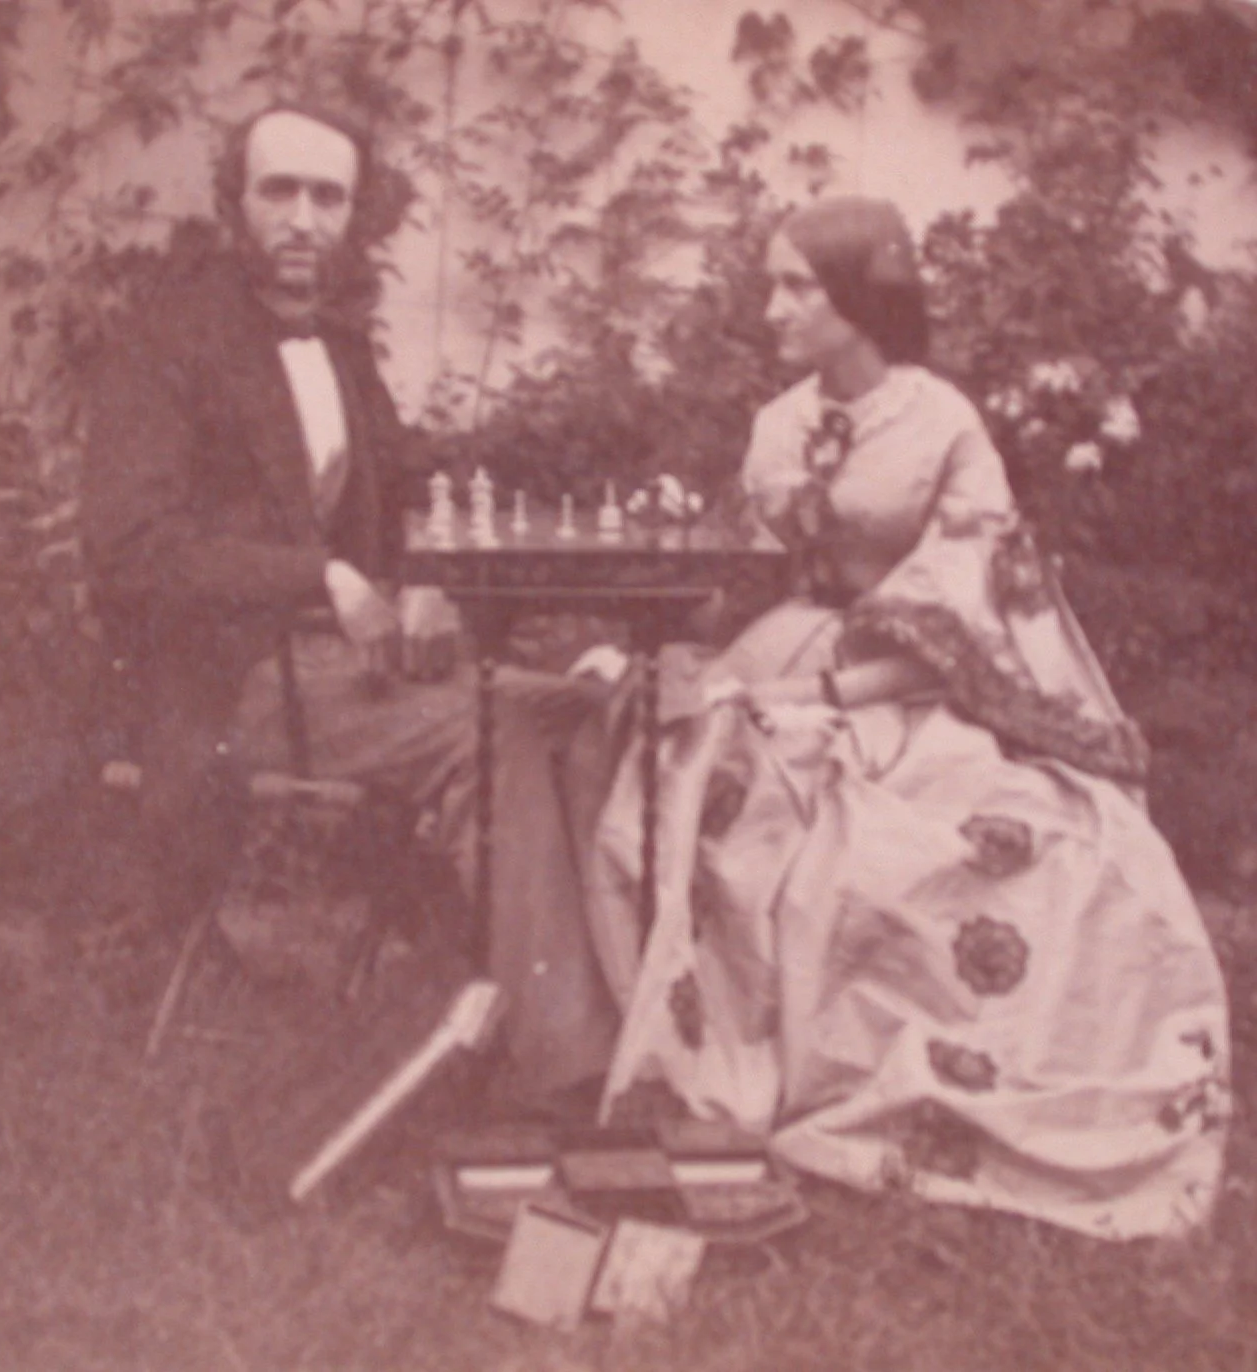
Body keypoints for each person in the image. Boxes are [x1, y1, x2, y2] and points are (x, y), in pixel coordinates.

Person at [583, 197, 1231, 1238]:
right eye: (774, 282)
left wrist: (835, 693)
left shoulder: (943, 423)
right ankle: (726, 1068)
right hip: (785, 649)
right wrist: (661, 643)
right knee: (709, 777)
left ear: (859, 299)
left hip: (915, 683)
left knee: (1016, 842)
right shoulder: (775, 424)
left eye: (797, 285)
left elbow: (974, 603)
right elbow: (740, 577)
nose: (773, 307)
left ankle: (935, 1077)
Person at [81, 102, 618, 1102]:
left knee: (583, 714)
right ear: (232, 201)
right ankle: (560, 1076)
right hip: (223, 691)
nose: (302, 218)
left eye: (327, 196)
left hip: (343, 676)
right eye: (278, 189)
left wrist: (422, 585)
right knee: (498, 733)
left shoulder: (339, 345)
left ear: (353, 215)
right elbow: (129, 555)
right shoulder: (162, 346)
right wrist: (316, 576)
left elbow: (406, 496)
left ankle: (582, 1020)